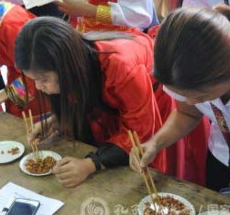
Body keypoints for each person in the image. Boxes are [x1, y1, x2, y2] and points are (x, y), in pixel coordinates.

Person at [15, 17, 171, 188]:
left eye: (43, 79)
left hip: (153, 105)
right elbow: (81, 93)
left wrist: (90, 164)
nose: (38, 87)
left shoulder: (120, 66)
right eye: (34, 80)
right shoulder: (77, 62)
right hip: (120, 106)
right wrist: (58, 120)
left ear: (66, 67)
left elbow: (140, 133)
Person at [130, 6, 230, 201]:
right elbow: (188, 114)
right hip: (223, 151)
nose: (191, 102)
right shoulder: (181, 71)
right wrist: (155, 144)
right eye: (185, 95)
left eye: (201, 97)